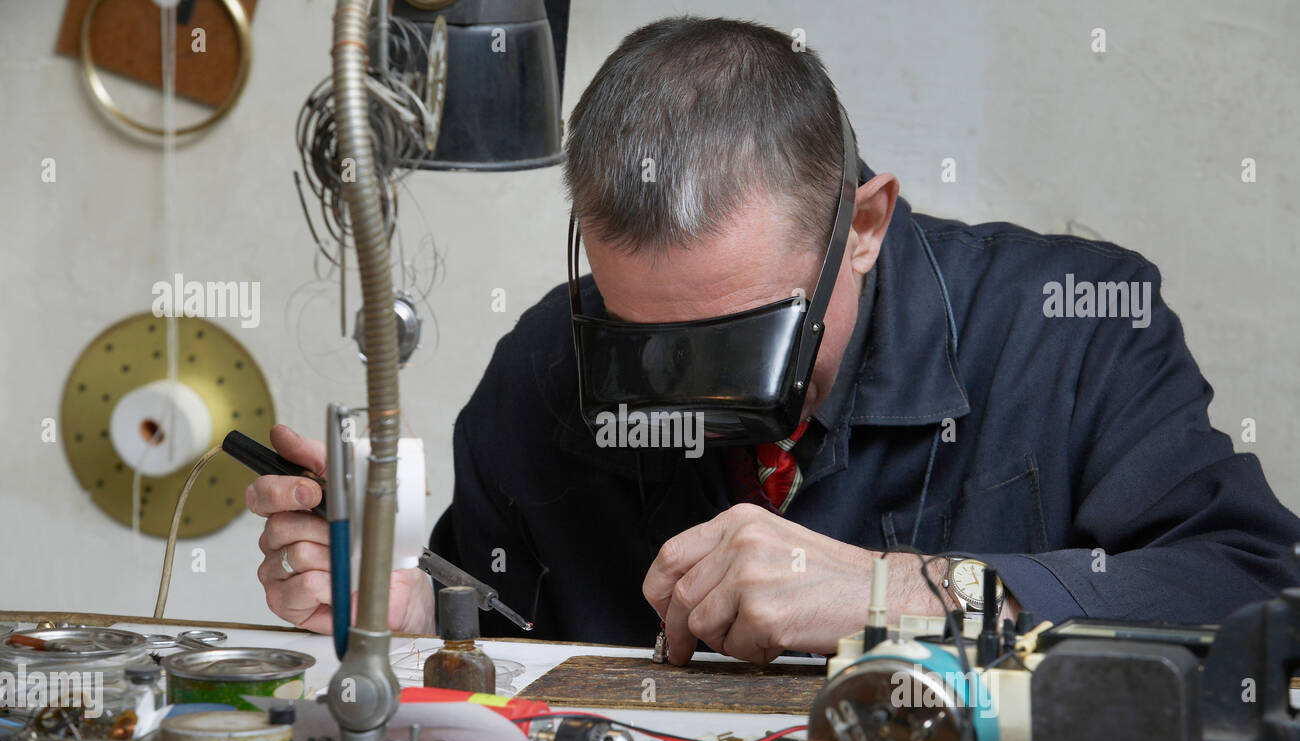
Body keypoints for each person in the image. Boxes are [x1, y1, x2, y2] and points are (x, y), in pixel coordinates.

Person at [247, 16, 1300, 665]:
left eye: (739, 340)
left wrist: (904, 593)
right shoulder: (548, 362)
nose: (690, 394)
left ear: (865, 224)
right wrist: (415, 610)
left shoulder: (1065, 326)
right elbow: (508, 639)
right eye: (642, 346)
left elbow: (1250, 585)